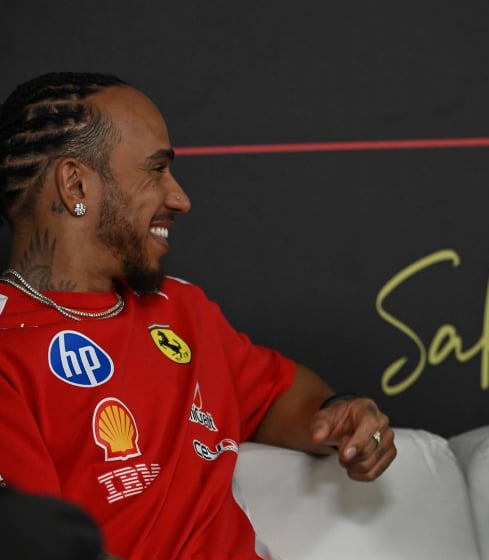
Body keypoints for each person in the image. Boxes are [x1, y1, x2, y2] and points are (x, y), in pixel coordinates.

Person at [0, 72, 397, 560]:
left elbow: (278, 394)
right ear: (75, 184)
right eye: (156, 170)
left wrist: (340, 412)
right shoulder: (7, 351)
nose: (180, 199)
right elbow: (39, 544)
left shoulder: (181, 308)